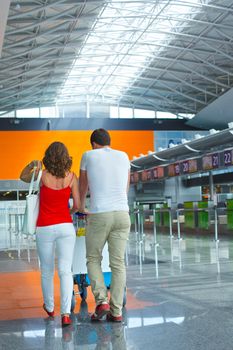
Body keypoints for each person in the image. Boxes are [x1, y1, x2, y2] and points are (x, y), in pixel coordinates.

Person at [20, 141, 80, 327]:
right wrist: (66, 214)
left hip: (44, 227)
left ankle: (49, 306)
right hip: (65, 227)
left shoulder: (41, 175)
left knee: (46, 270)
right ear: (66, 157)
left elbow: (22, 177)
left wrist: (32, 164)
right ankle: (66, 314)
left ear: (48, 156)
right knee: (65, 270)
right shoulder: (71, 177)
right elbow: (77, 205)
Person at [79, 128, 131, 322]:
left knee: (93, 258)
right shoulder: (124, 156)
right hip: (122, 214)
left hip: (100, 213)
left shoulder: (88, 155)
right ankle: (116, 312)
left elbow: (83, 186)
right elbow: (125, 187)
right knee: (118, 263)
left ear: (93, 144)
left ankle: (102, 301)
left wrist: (82, 206)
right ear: (109, 141)